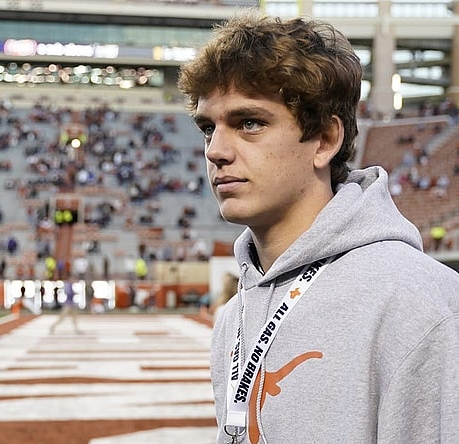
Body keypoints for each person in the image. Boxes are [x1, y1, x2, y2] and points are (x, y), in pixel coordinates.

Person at [178, 13, 459, 444]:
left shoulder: (421, 304)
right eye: (207, 128)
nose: (215, 150)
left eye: (249, 123)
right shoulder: (235, 313)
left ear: (325, 140)